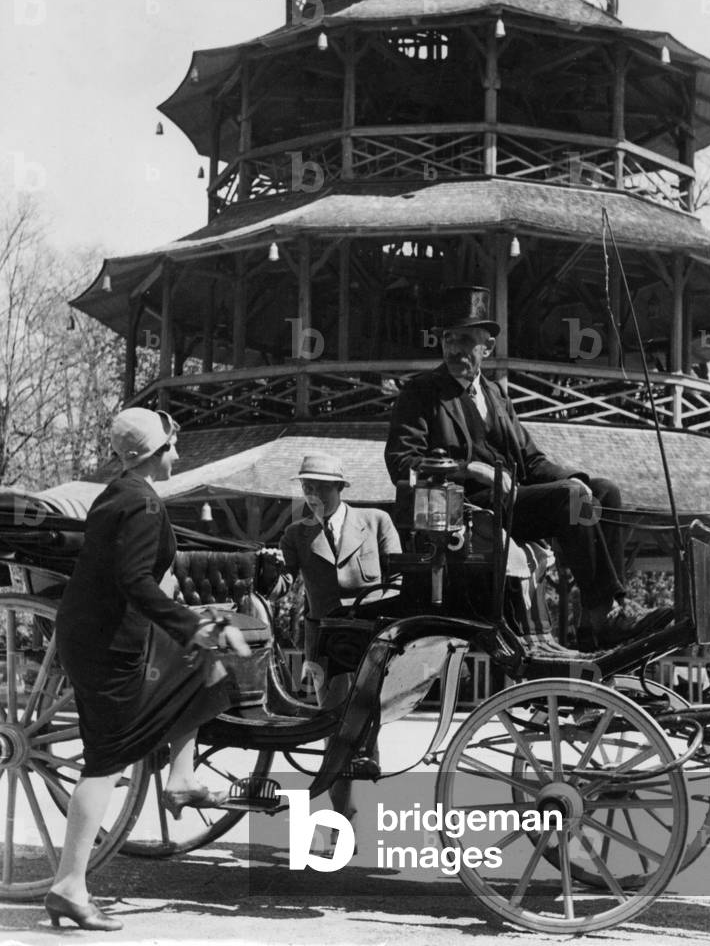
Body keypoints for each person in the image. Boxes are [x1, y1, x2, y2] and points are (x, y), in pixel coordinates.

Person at [384, 285, 673, 651]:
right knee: (570, 500)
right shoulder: (422, 392)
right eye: (448, 339)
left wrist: (577, 480)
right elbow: (400, 461)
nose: (454, 348)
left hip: (513, 505)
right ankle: (605, 617)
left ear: (487, 347)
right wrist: (470, 469)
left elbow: (531, 461)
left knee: (604, 492)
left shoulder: (497, 395)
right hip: (468, 513)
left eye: (465, 340)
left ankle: (596, 616)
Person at [48, 408, 248, 931]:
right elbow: (135, 580)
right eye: (170, 448)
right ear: (153, 455)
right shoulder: (141, 503)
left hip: (96, 634)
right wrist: (190, 625)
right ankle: (69, 885)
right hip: (108, 644)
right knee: (105, 761)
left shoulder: (117, 492)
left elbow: (128, 577)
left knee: (202, 669)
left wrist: (190, 630)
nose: (177, 456)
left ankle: (181, 778)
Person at [274, 453, 401, 839]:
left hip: (372, 638)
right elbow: (283, 584)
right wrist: (265, 570)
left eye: (320, 488)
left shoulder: (377, 522)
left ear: (340, 489)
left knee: (363, 724)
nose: (312, 495)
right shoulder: (296, 535)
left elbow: (399, 581)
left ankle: (368, 756)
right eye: (306, 487)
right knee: (336, 731)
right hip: (325, 645)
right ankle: (343, 822)